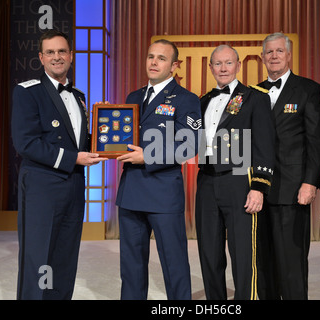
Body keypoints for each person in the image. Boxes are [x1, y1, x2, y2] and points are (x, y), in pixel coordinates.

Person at [11, 30, 107, 300]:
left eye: (62, 51)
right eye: (50, 52)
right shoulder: (28, 92)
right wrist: (73, 158)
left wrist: (104, 124)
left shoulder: (79, 96)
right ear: (41, 58)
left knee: (65, 257)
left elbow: (82, 142)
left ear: (71, 56)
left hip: (74, 186)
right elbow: (26, 143)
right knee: (39, 256)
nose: (57, 57)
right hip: (43, 186)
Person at [115, 39, 201, 300]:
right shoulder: (133, 97)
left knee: (174, 265)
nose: (153, 62)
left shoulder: (186, 99)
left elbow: (191, 144)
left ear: (174, 66)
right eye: (150, 56)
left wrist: (148, 156)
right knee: (131, 267)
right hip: (131, 192)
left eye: (161, 58)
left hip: (163, 195)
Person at [196, 44, 275, 300]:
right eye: (218, 63)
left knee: (243, 254)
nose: (223, 68)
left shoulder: (255, 97)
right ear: (210, 68)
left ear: (238, 66)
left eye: (228, 62)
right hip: (206, 182)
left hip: (240, 181)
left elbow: (265, 144)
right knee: (209, 252)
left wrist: (259, 187)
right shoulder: (202, 101)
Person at [255, 32, 320, 300]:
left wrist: (311, 182)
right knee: (264, 260)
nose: (274, 56)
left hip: (293, 188)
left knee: (292, 261)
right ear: (262, 58)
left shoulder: (308, 89)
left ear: (289, 55)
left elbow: (316, 141)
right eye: (269, 52)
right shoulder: (254, 91)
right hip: (259, 190)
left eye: (279, 51)